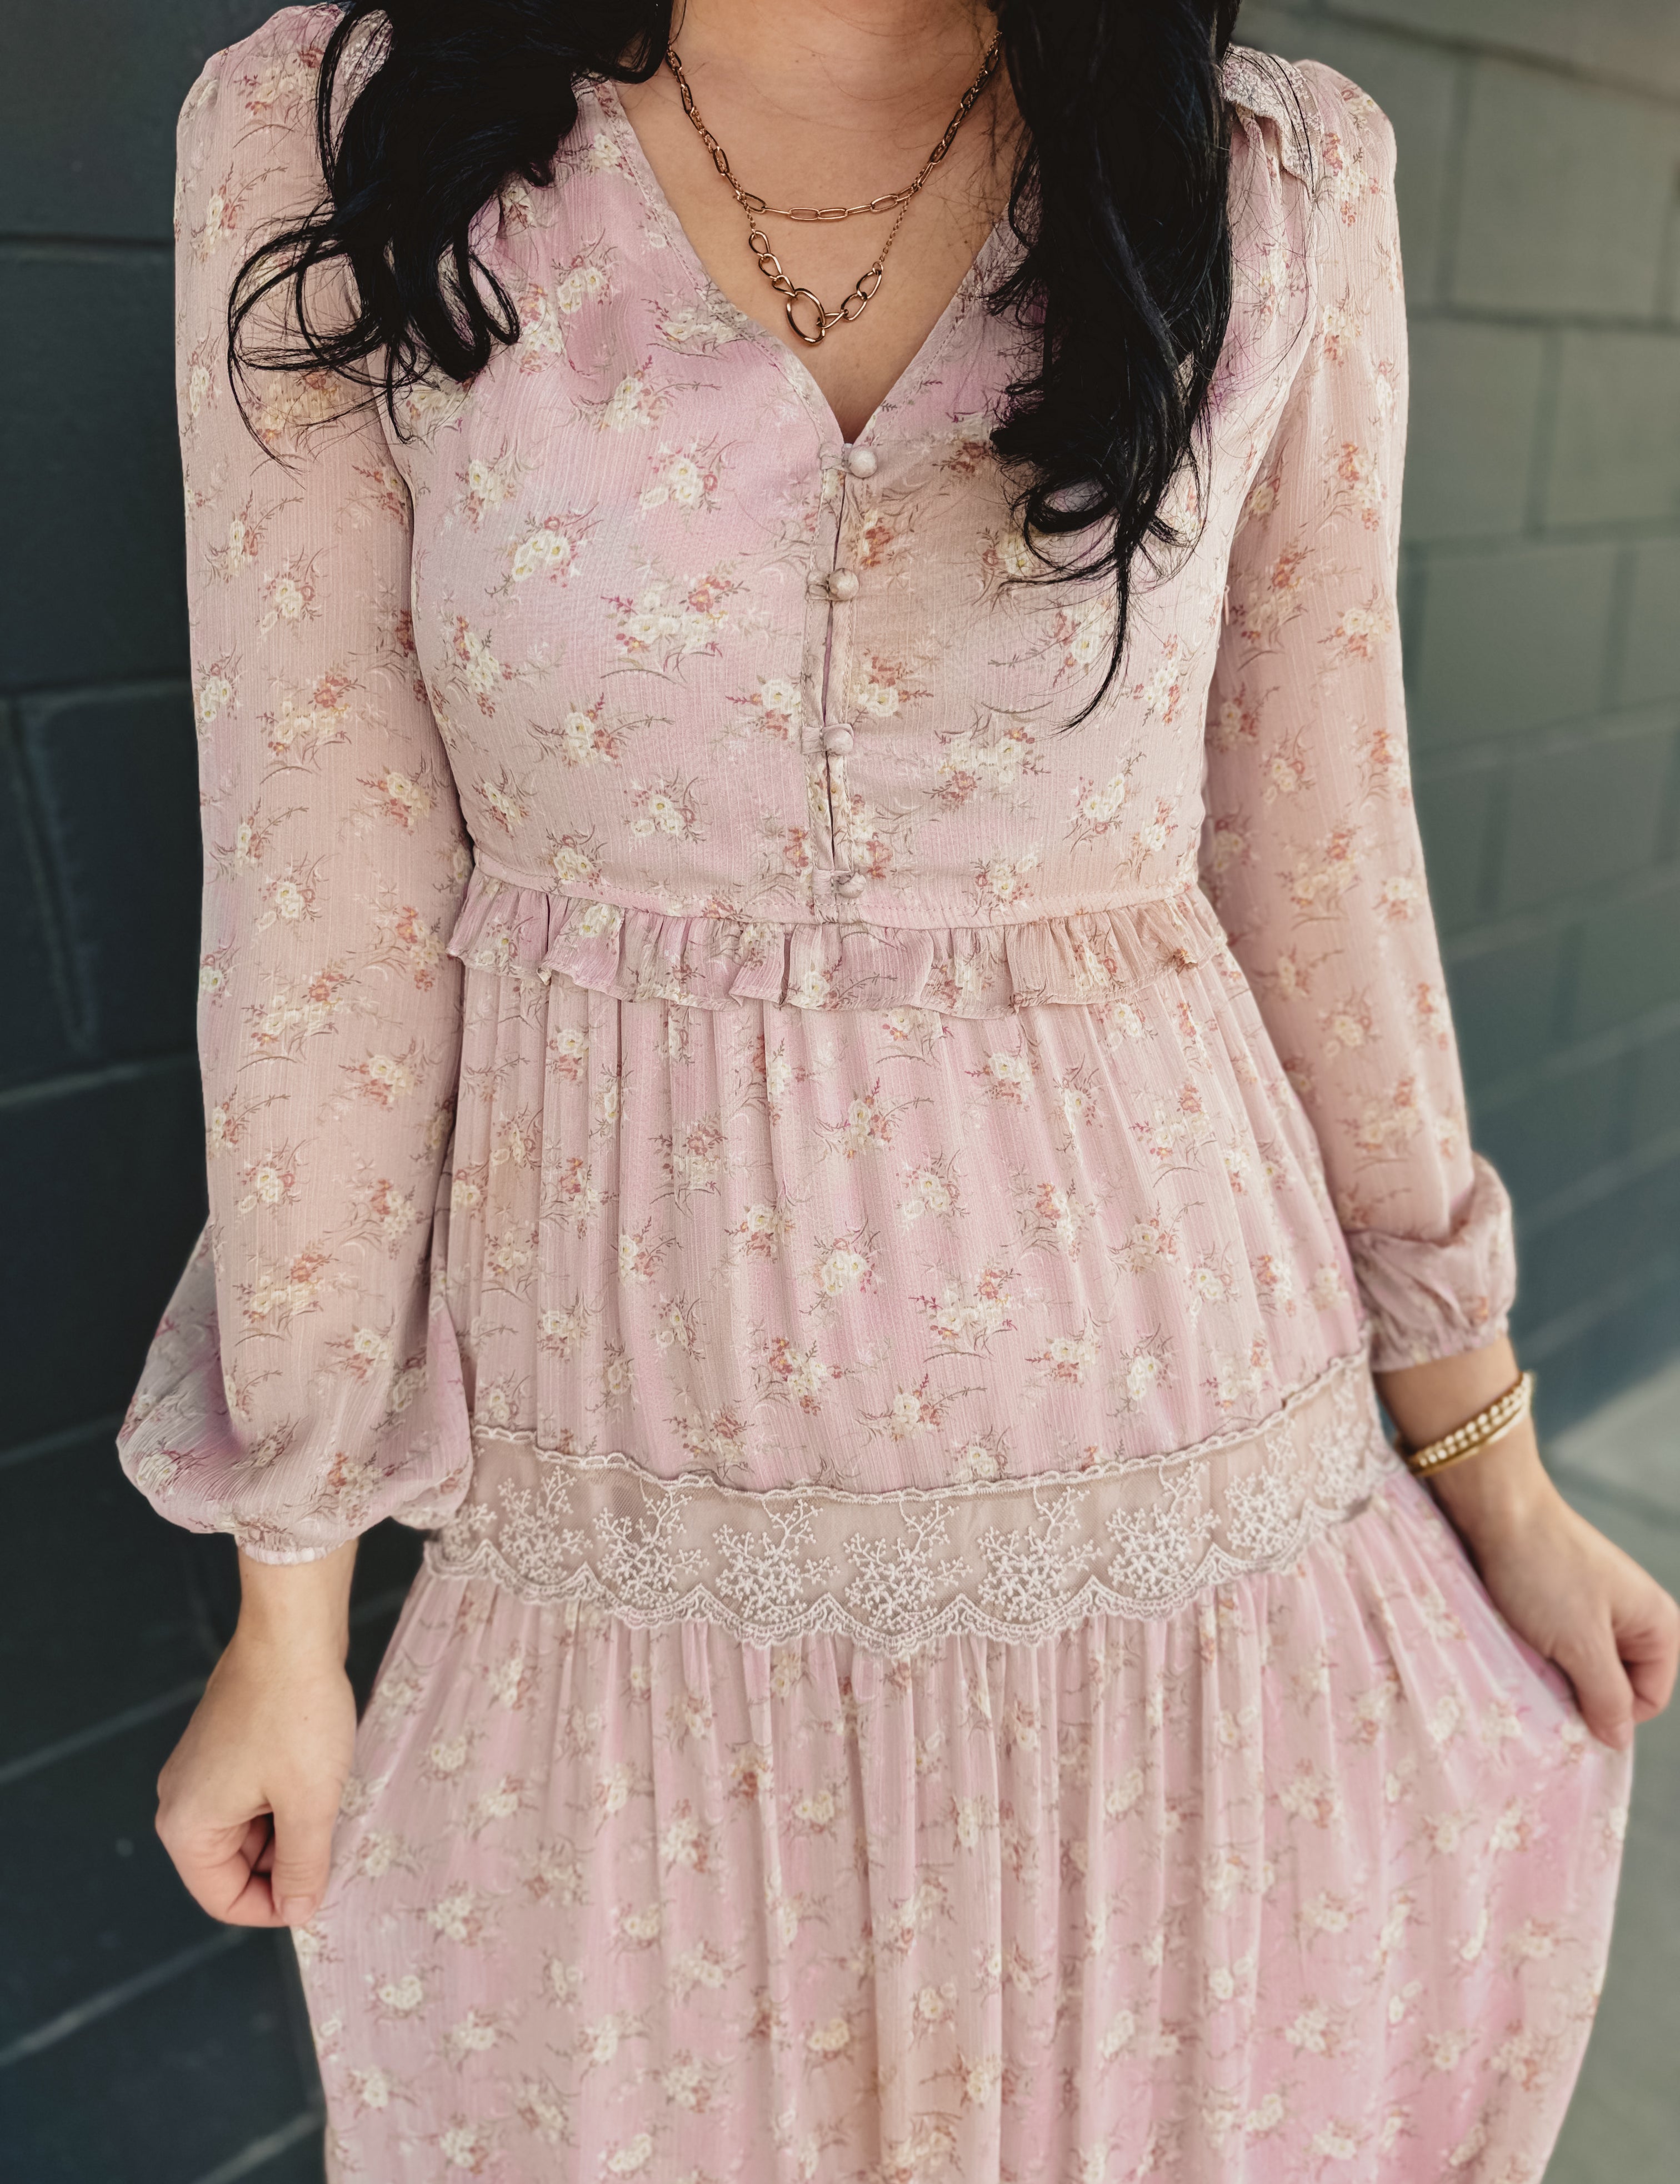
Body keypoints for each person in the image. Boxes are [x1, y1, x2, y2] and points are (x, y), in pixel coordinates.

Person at [122, 2, 1678, 2175]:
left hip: (1201, 1498)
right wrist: (291, 1595)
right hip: (640, 1537)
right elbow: (322, 908)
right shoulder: (328, 134)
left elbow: (1321, 850)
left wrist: (1492, 1465)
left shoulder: (1270, 175)